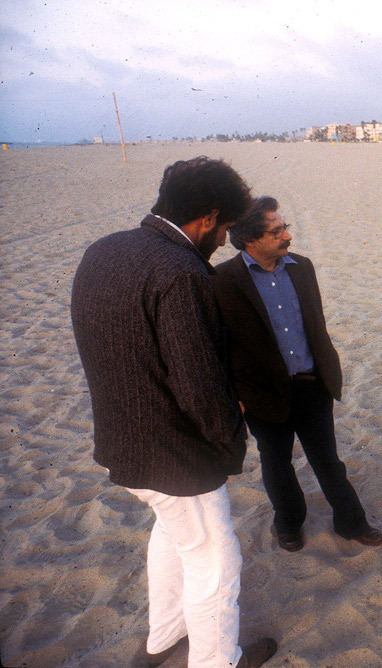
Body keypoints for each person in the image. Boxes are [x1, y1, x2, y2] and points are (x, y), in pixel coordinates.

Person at [70, 157, 276, 668]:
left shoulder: (104, 249)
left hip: (123, 440)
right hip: (174, 451)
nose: (225, 240)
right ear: (206, 218)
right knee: (213, 559)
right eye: (226, 227)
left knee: (174, 533)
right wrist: (231, 439)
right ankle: (215, 661)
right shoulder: (181, 272)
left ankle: (163, 639)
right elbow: (199, 384)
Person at [213, 197, 382, 552]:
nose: (287, 236)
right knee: (276, 463)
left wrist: (325, 373)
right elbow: (220, 345)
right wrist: (237, 396)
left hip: (312, 384)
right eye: (276, 231)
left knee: (327, 459)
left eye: (284, 226)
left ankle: (351, 522)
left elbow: (315, 324)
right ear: (249, 239)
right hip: (263, 393)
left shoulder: (301, 268)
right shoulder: (223, 280)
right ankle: (289, 523)